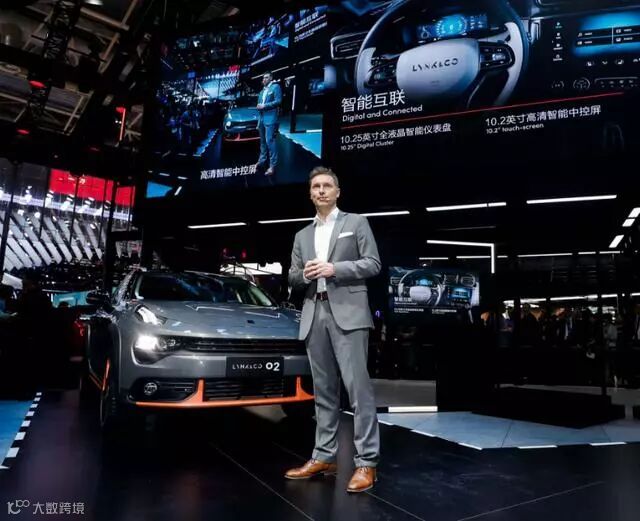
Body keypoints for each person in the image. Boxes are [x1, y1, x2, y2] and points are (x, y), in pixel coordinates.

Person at [285, 166, 381, 493]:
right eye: (316, 186)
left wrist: (334, 268)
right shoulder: (302, 235)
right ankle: (324, 456)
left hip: (349, 314)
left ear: (337, 192)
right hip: (314, 312)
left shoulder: (356, 223)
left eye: (327, 185)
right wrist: (305, 274)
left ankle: (367, 462)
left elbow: (373, 263)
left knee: (358, 391)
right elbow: (292, 276)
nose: (322, 190)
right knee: (323, 392)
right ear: (310, 194)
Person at [256, 72, 282, 176]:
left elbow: (278, 101)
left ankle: (272, 166)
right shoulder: (262, 91)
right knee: (262, 142)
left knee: (269, 141)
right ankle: (262, 161)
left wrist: (264, 106)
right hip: (261, 119)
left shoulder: (275, 87)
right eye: (263, 78)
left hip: (270, 118)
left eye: (266, 77)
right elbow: (259, 105)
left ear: (271, 78)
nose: (264, 79)